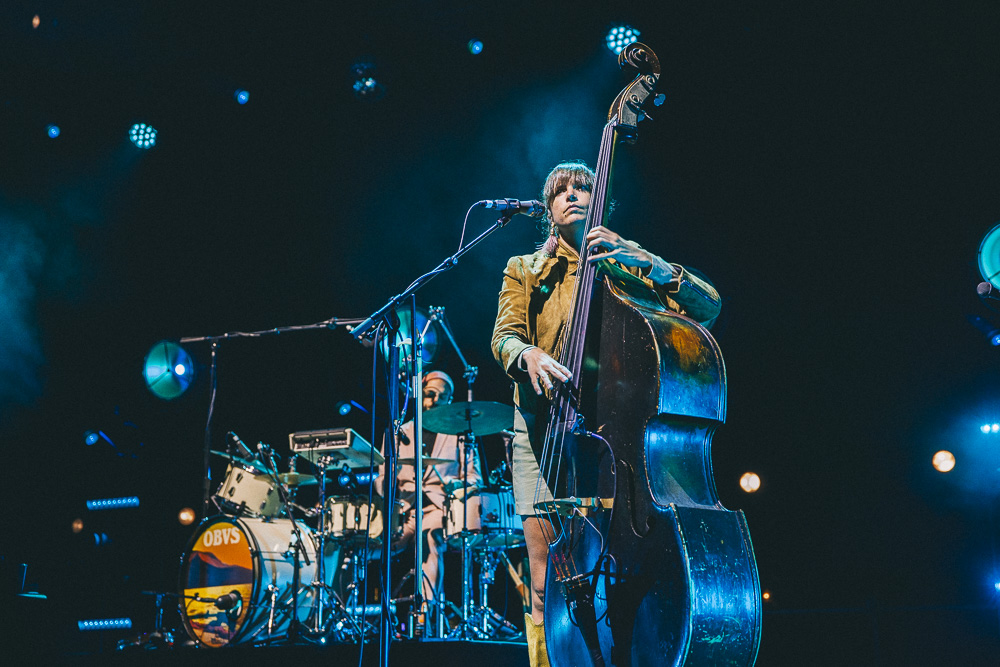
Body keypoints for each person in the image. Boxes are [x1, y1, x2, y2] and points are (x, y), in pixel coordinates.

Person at [491, 161, 721, 666]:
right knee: (544, 573)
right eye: (560, 190)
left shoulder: (626, 263)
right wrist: (526, 355)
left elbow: (708, 307)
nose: (572, 194)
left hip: (619, 435)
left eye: (583, 186)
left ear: (603, 201)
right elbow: (504, 337)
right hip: (545, 431)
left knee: (629, 564)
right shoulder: (525, 269)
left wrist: (650, 262)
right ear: (548, 210)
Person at [376, 370, 481, 625]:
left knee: (429, 539)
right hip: (402, 509)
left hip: (438, 508)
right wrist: (390, 482)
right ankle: (349, 615)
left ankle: (425, 615)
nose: (434, 400)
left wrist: (456, 487)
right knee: (361, 541)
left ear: (450, 400)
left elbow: (474, 479)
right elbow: (380, 479)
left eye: (441, 396)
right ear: (419, 395)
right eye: (429, 394)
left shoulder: (460, 435)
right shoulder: (401, 431)